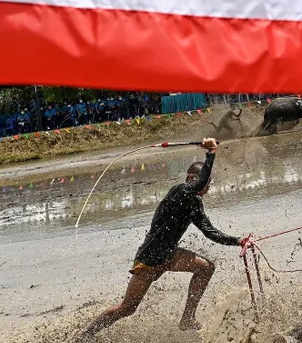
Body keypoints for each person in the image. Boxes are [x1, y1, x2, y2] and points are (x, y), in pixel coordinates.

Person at [90, 137, 247, 332]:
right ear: (191, 178)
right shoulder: (179, 192)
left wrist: (238, 241)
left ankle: (187, 319)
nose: (208, 188)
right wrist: (211, 153)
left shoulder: (194, 204)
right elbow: (201, 182)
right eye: (206, 183)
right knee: (127, 308)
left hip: (169, 255)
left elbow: (211, 232)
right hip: (150, 257)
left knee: (206, 268)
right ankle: (87, 335)